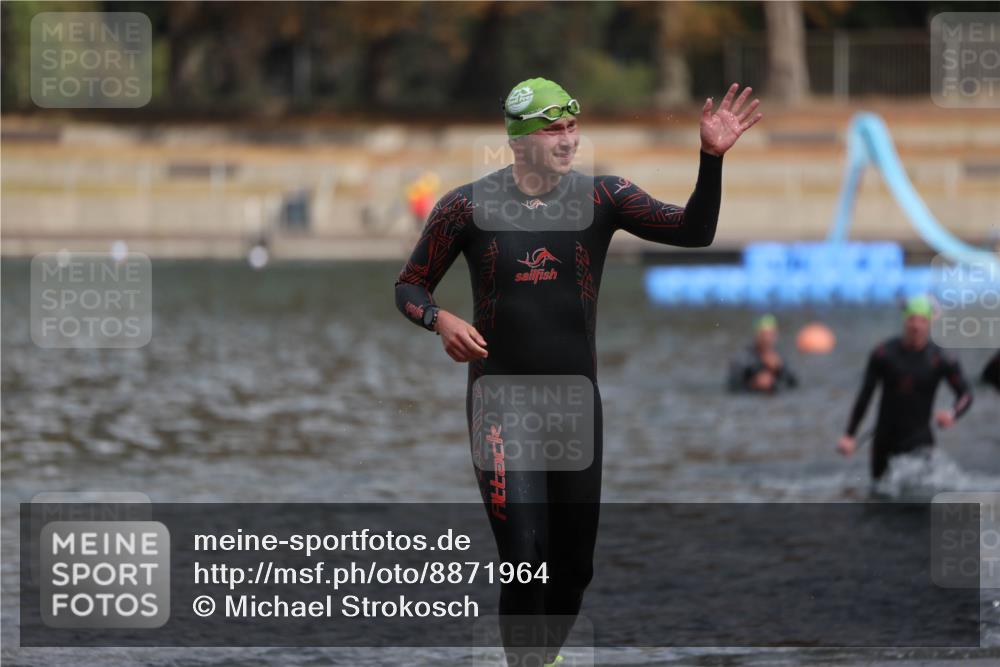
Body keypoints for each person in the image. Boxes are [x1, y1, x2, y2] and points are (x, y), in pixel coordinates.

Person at [394, 77, 761, 666]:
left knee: (573, 570)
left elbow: (696, 231)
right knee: (522, 555)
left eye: (572, 127)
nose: (568, 140)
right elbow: (409, 285)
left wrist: (710, 159)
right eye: (553, 129)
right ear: (518, 140)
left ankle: (543, 657)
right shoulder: (465, 206)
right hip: (500, 405)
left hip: (574, 407)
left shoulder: (602, 199)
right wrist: (439, 320)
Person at [837, 295, 974, 481]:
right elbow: (865, 396)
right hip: (884, 441)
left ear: (929, 323)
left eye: (922, 321)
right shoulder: (883, 354)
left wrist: (952, 414)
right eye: (912, 319)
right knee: (880, 499)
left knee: (920, 499)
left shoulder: (942, 359)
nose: (916, 326)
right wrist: (849, 435)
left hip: (920, 442)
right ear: (904, 320)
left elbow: (965, 395)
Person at [727, 314, 798, 393]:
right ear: (757, 335)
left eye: (771, 335)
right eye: (764, 335)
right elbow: (732, 387)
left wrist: (779, 369)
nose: (767, 339)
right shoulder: (743, 358)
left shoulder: (780, 357)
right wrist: (753, 385)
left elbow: (794, 385)